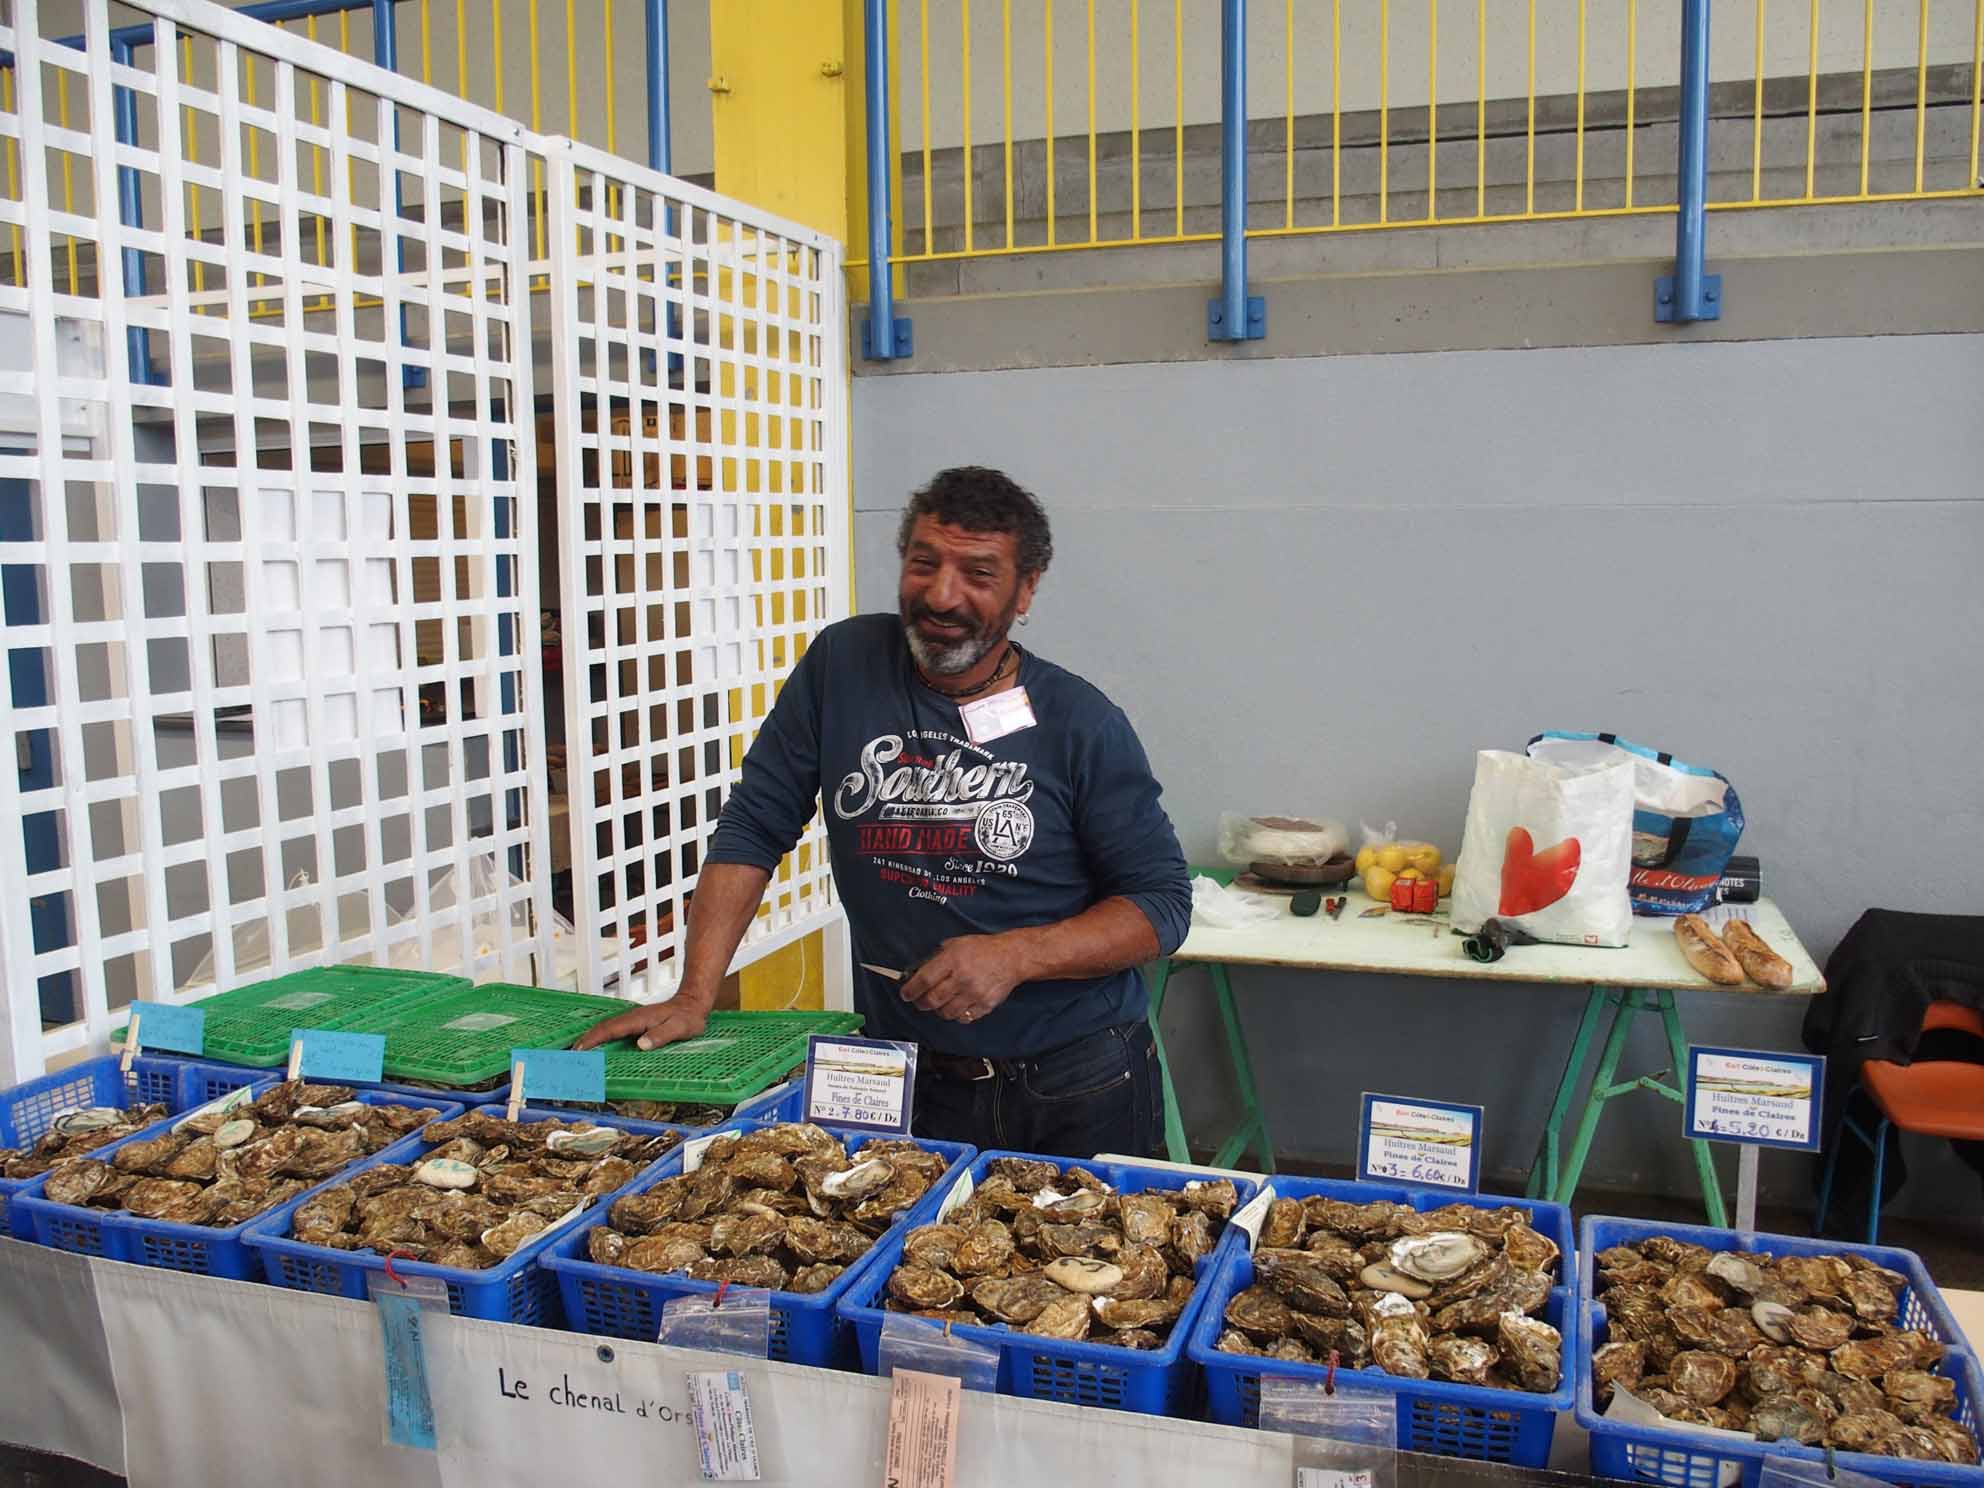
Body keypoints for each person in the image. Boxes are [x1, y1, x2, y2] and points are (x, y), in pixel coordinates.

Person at [576, 466, 1191, 1158]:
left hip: (1076, 1081)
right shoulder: (844, 665)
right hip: (908, 1075)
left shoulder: (1081, 722)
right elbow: (754, 824)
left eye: (979, 574)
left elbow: (1162, 905)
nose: (941, 593)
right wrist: (695, 993)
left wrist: (1016, 955)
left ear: (1027, 590)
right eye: (923, 563)